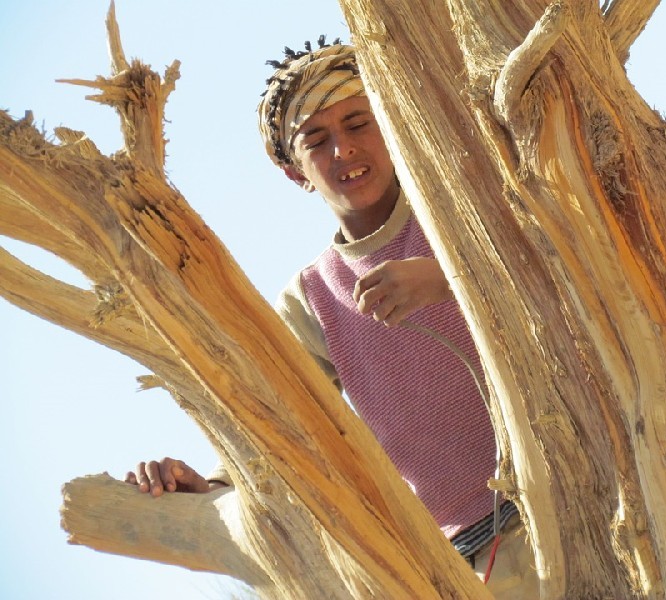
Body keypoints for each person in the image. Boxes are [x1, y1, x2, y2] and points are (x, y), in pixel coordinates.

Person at [125, 40, 538, 597]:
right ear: (293, 172)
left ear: (390, 124)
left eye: (357, 123)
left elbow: (559, 270)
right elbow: (275, 420)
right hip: (468, 566)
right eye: (316, 141)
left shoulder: (464, 209)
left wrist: (450, 278)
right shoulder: (313, 297)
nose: (343, 149)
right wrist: (212, 485)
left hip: (578, 507)